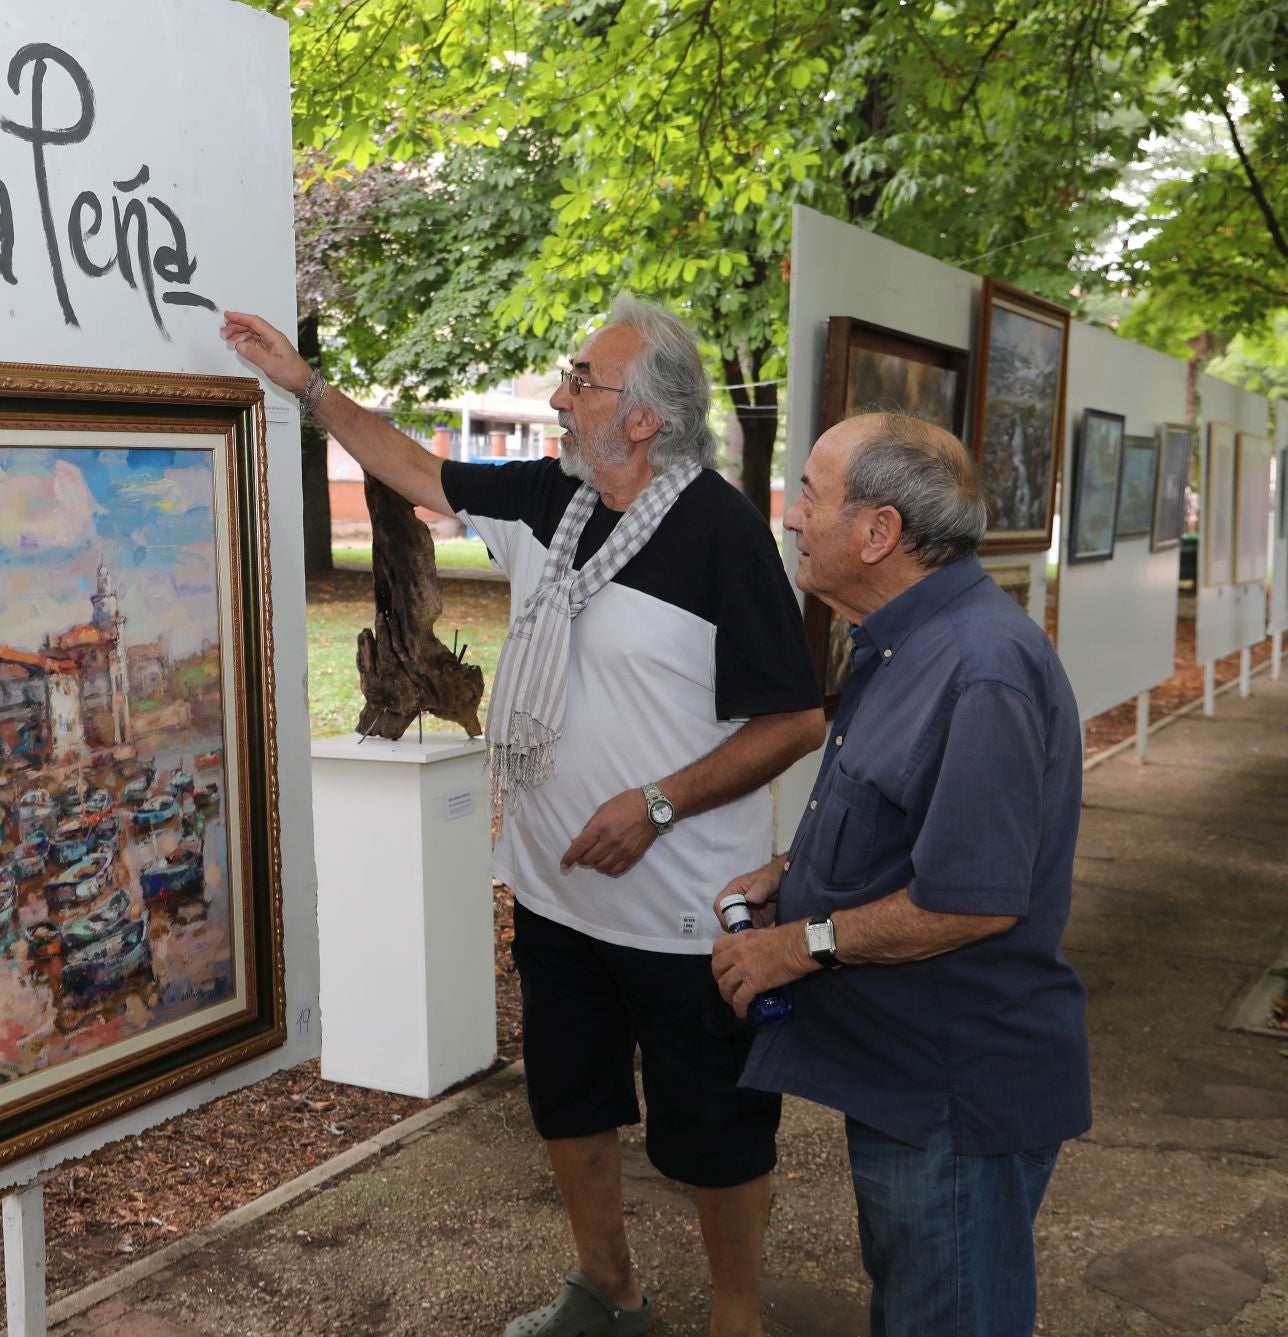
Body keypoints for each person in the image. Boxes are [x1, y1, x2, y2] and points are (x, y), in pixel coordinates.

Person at [222, 299, 825, 1337]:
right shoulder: (553, 497)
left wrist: (658, 802)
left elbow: (796, 718)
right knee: (572, 1099)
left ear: (642, 419)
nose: (558, 396)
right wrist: (306, 387)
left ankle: (738, 1312)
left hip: (685, 911)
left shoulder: (722, 532)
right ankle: (610, 1289)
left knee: (715, 1131)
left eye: (581, 381)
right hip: (555, 890)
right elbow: (415, 470)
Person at [709, 413, 1090, 1336]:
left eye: (809, 495)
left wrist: (798, 944)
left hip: (951, 1092)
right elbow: (915, 817)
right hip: (909, 1078)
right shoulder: (902, 637)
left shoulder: (977, 666)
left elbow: (969, 899)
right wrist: (798, 871)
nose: (793, 518)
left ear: (877, 532)